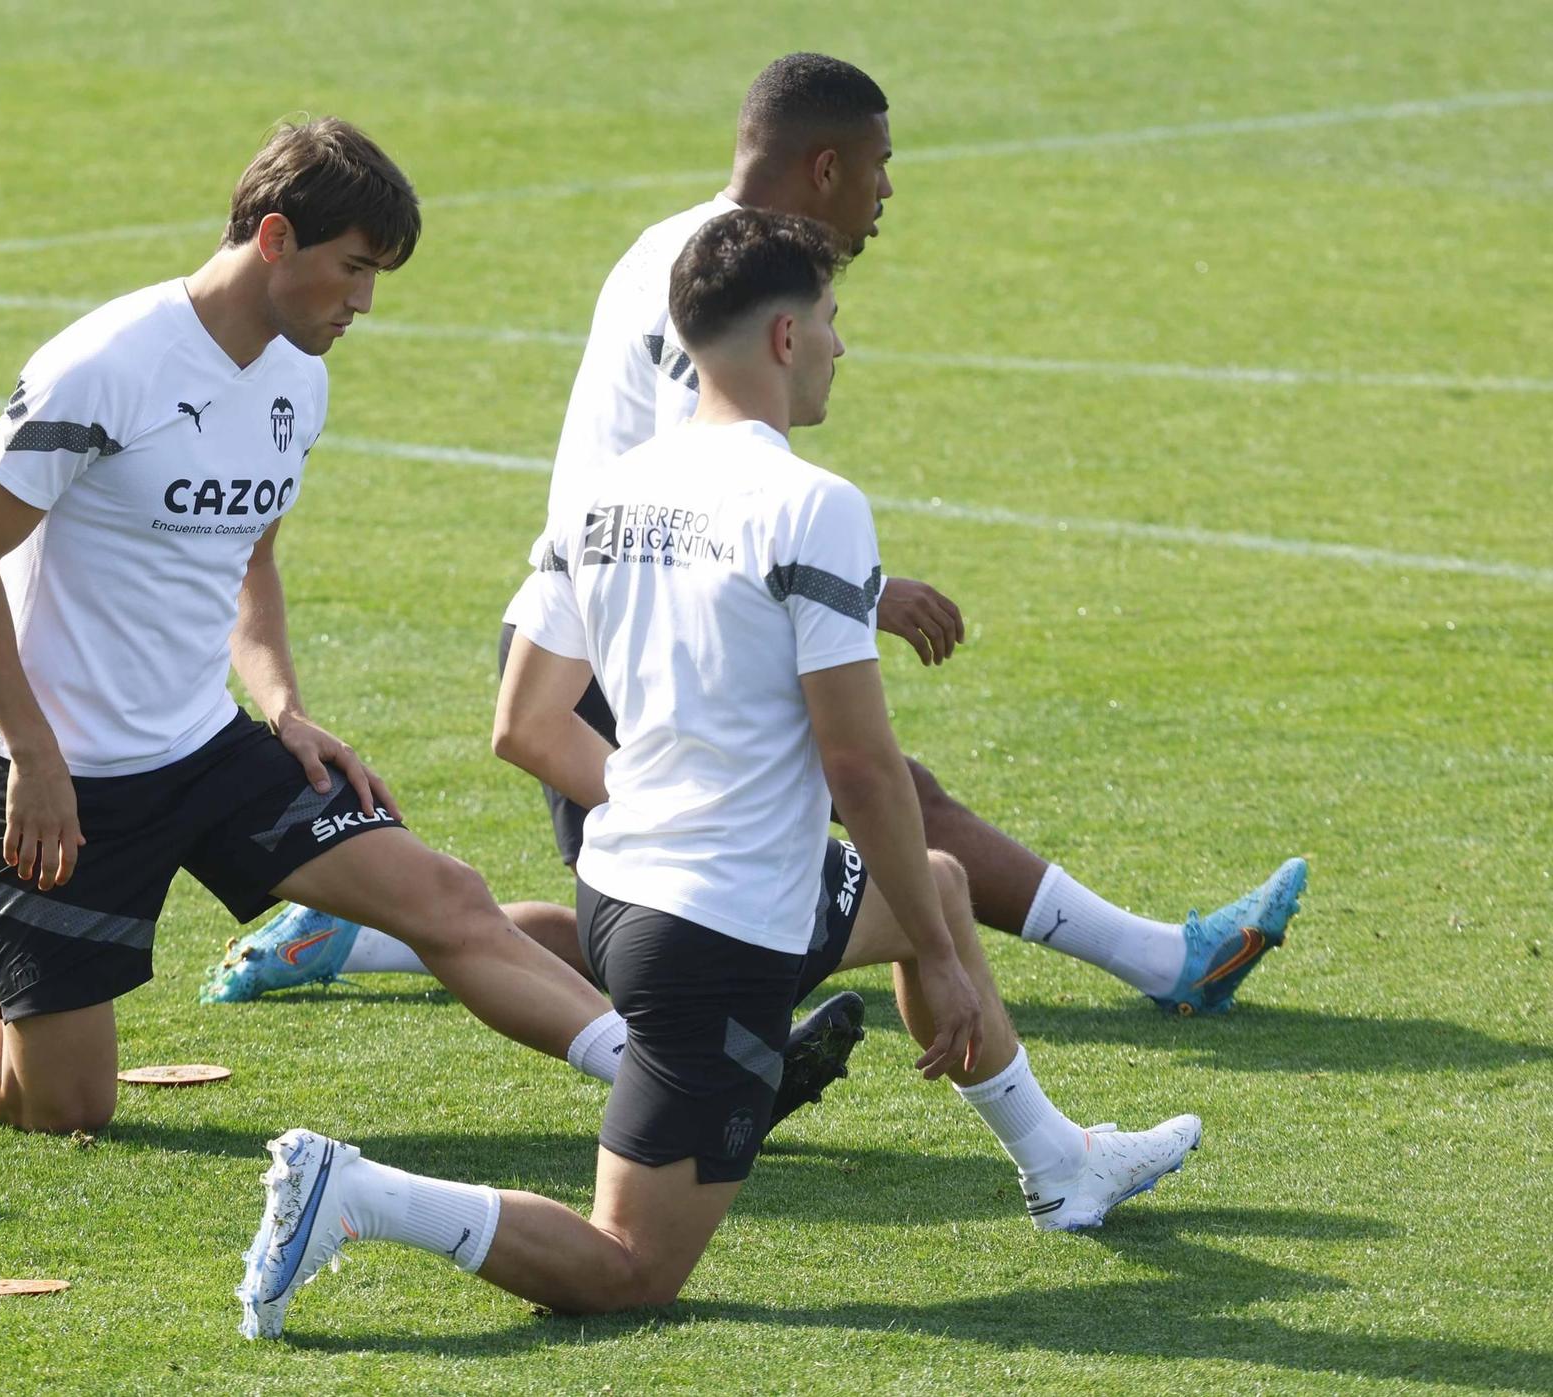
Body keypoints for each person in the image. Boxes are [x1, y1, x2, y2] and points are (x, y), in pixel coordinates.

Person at [237, 210, 1203, 1339]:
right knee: (627, 1267)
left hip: (627, 896)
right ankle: (354, 1194)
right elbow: (858, 760)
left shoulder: (600, 496)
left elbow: (524, 725)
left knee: (927, 882)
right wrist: (939, 968)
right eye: (834, 320)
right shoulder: (813, 506)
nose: (843, 345)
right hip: (718, 936)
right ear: (785, 336)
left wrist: (667, 805)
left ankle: (1058, 1165)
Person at [0, 119, 857, 1133]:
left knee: (446, 896)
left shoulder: (297, 381)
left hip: (205, 747)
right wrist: (32, 751)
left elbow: (249, 558)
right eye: (353, 268)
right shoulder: (103, 367)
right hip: (63, 775)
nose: (362, 301)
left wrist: (283, 707)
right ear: (274, 238)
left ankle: (690, 1091)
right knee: (54, 1102)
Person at [220, 52, 1304, 1017]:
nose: (887, 193)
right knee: (765, 871)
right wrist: (857, 593)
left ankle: (355, 936)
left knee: (659, 917)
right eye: (877, 166)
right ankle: (1163, 964)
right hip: (619, 640)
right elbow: (689, 494)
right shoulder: (719, 286)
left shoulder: (680, 244)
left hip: (604, 623)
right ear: (821, 168)